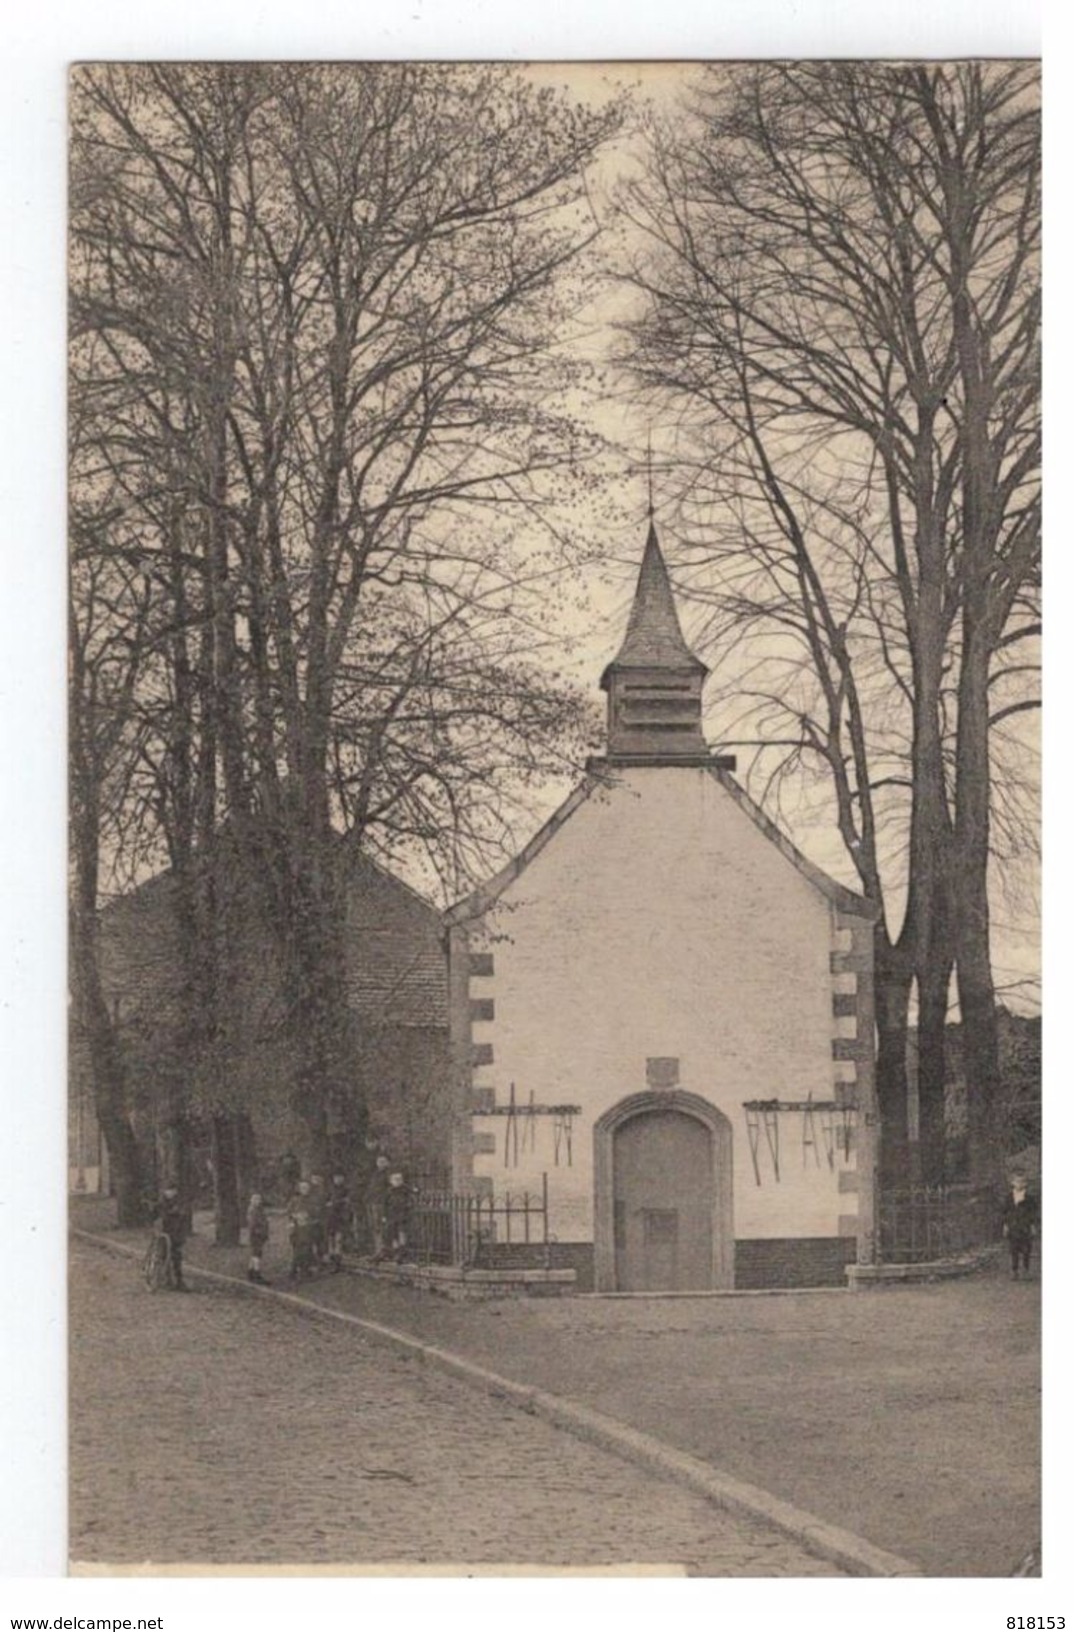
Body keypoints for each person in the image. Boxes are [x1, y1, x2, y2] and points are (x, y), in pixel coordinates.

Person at [151, 1183, 190, 1291]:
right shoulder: (161, 1203)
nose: (171, 1193)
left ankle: (179, 1280)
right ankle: (164, 1279)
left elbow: (183, 1215)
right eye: (168, 1190)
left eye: (173, 1190)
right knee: (163, 1256)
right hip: (163, 1234)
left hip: (176, 1233)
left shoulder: (179, 1202)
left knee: (176, 1257)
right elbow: (156, 1216)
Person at [1001, 1177, 1038, 1278]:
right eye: (1017, 1182)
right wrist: (1005, 1225)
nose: (1019, 1184)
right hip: (1013, 1226)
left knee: (1026, 1249)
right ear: (1013, 1183)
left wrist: (1032, 1225)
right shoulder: (1008, 1197)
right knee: (1013, 1249)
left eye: (1022, 1182)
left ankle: (1026, 1270)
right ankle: (1014, 1270)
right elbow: (1005, 1212)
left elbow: (1033, 1213)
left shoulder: (1029, 1198)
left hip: (1025, 1226)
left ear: (1025, 1184)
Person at [287, 1179, 315, 1281]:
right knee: (299, 1249)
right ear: (299, 1189)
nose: (305, 1190)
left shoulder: (311, 1200)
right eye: (303, 1188)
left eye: (307, 1188)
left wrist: (309, 1217)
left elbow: (314, 1212)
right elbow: (290, 1212)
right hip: (297, 1228)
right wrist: (296, 1217)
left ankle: (304, 1270)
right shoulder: (295, 1200)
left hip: (308, 1227)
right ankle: (294, 1270)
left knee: (307, 1249)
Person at [384, 1170, 412, 1263]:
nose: (398, 1181)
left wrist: (408, 1206)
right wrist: (384, 1215)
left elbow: (412, 1198)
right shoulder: (389, 1191)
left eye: (399, 1179)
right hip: (392, 1215)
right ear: (391, 1181)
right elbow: (385, 1204)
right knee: (393, 1234)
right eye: (395, 1179)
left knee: (402, 1233)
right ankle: (396, 1252)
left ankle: (402, 1253)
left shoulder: (406, 1190)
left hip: (403, 1215)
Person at [326, 1172, 352, 1272]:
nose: (338, 1179)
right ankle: (332, 1260)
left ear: (343, 1178)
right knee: (330, 1238)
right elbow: (327, 1201)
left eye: (340, 1177)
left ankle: (337, 1263)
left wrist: (336, 1203)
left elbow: (347, 1201)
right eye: (336, 1177)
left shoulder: (346, 1189)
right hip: (331, 1217)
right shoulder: (330, 1189)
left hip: (341, 1217)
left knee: (338, 1239)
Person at [246, 1191, 270, 1285]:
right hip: (256, 1234)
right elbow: (253, 1224)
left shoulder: (259, 1210)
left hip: (259, 1234)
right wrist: (259, 1232)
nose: (258, 1201)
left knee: (254, 1254)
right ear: (251, 1200)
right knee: (257, 1254)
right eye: (255, 1199)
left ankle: (250, 1272)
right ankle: (256, 1273)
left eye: (259, 1199)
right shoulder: (253, 1210)